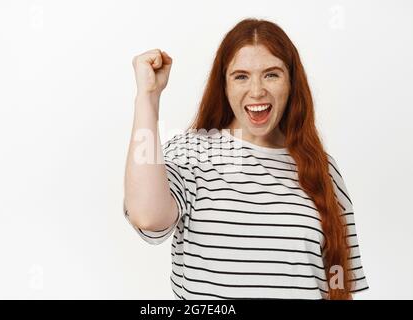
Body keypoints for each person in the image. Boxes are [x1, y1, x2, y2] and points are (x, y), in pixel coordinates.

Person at [123, 18, 369, 300]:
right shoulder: (191, 152)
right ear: (224, 85)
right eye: (241, 76)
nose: (256, 91)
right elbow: (147, 216)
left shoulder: (323, 169)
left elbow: (338, 278)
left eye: (271, 74)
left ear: (291, 83)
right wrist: (148, 96)